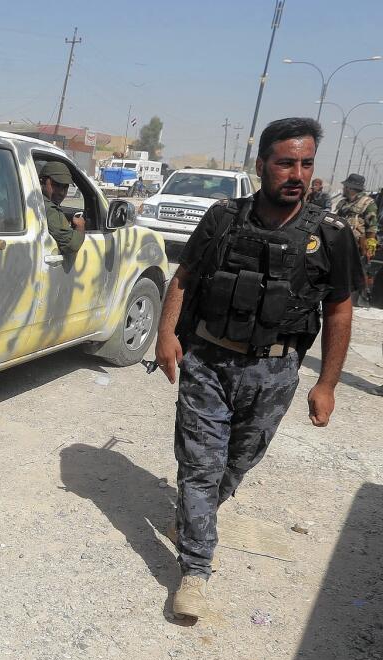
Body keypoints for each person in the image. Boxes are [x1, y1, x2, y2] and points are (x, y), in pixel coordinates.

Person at [155, 118, 354, 621]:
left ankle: (192, 518)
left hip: (276, 372)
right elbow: (185, 277)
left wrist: (326, 383)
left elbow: (339, 310)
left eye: (306, 164)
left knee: (238, 462)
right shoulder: (223, 218)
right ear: (262, 164)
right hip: (209, 359)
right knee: (200, 467)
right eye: (286, 162)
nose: (297, 174)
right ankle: (195, 571)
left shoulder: (330, 236)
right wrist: (166, 336)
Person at [333, 173, 377, 306]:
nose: (344, 189)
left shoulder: (368, 203)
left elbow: (371, 226)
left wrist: (370, 244)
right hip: (340, 241)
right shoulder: (343, 202)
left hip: (358, 244)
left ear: (351, 187)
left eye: (346, 186)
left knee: (358, 272)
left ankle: (361, 300)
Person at [39, 160, 85, 256]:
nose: (61, 192)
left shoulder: (37, 200)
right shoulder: (48, 209)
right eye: (56, 185)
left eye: (65, 187)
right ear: (42, 181)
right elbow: (72, 245)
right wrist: (80, 225)